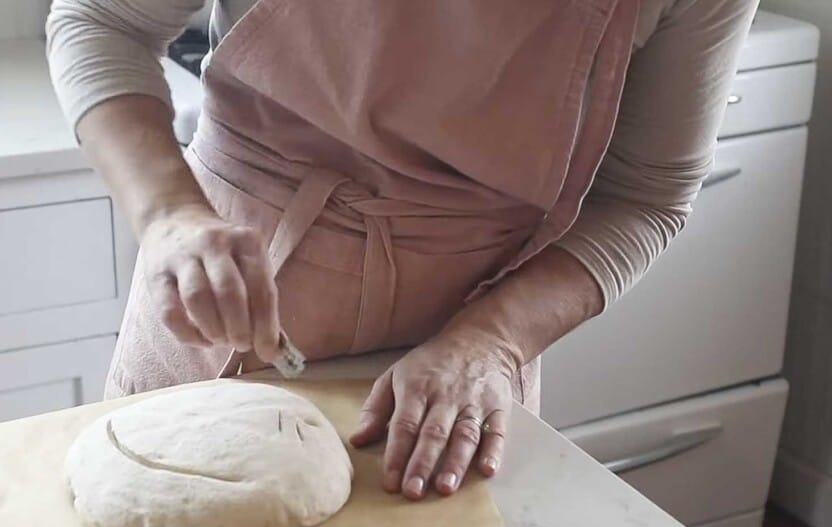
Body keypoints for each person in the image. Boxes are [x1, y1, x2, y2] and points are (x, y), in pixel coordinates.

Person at [46, 0, 758, 501]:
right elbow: (100, 21)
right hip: (220, 294)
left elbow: (645, 197)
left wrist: (492, 344)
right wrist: (171, 214)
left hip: (462, 359)